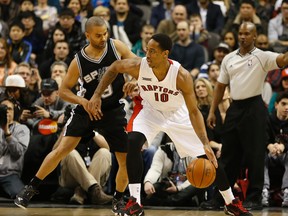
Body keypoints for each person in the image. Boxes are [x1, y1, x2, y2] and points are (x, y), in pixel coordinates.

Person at [90, 33, 252, 216]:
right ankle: (135, 202)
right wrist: (96, 94)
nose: (147, 55)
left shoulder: (181, 75)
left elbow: (193, 111)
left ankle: (230, 203)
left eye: (152, 51)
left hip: (178, 115)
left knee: (208, 157)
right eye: (146, 50)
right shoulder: (139, 66)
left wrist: (205, 141)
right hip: (149, 111)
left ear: (165, 54)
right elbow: (114, 67)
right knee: (133, 141)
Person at [14, 16, 137, 212]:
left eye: (105, 33)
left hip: (113, 108)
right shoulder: (78, 60)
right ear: (87, 35)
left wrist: (135, 80)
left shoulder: (116, 47)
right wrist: (83, 102)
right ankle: (31, 187)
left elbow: (137, 65)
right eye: (98, 35)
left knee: (124, 158)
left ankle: (119, 199)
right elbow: (64, 90)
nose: (103, 38)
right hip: (86, 109)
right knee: (62, 149)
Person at [207, 21, 288, 210]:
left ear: (254, 36)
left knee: (255, 155)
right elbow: (220, 86)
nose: (242, 36)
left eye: (247, 33)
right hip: (235, 108)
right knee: (228, 155)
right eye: (240, 33)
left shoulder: (263, 56)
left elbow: (283, 60)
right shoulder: (228, 58)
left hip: (254, 107)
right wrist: (212, 110)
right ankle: (221, 198)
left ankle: (254, 197)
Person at [0, 96, 30, 199]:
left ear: (14, 112)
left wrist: (7, 133)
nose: (6, 112)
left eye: (9, 109)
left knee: (22, 197)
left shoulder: (22, 129)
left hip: (9, 174)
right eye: (3, 108)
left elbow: (18, 152)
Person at [262, 91, 288, 207]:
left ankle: (287, 191)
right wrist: (269, 146)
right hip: (270, 154)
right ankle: (264, 191)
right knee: (260, 155)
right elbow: (262, 139)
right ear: (276, 105)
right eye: (284, 104)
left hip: (285, 155)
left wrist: (284, 146)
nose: (287, 108)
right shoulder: (268, 120)